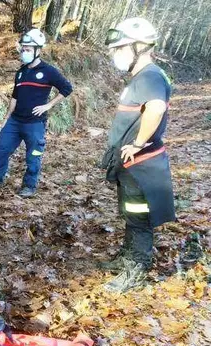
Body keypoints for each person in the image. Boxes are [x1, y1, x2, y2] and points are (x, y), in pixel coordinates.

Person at [100, 18, 174, 292]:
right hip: (130, 166)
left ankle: (137, 271)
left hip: (142, 165)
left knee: (140, 219)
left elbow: (155, 109)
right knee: (131, 215)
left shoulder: (150, 75)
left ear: (139, 47)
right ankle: (127, 257)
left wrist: (139, 143)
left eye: (119, 48)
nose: (114, 53)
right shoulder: (142, 77)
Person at [0, 29, 73, 198]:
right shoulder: (21, 72)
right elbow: (15, 96)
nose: (25, 52)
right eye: (23, 49)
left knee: (33, 156)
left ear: (38, 50)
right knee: (2, 149)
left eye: (29, 49)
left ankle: (29, 186)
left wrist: (48, 105)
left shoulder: (48, 71)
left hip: (35, 124)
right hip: (15, 121)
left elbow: (67, 88)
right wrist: (7, 118)